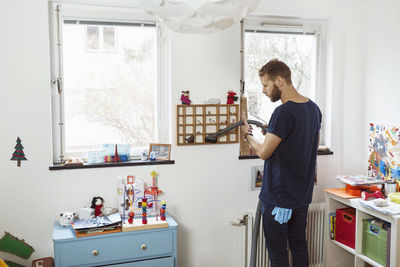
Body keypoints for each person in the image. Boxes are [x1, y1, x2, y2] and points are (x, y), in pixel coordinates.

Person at [240, 59, 321, 267]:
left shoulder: (283, 112)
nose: (264, 91)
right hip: (301, 197)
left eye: (266, 85)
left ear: (280, 81)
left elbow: (265, 152)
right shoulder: (313, 109)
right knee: (298, 244)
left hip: (279, 198)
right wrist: (274, 132)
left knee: (277, 251)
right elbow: (304, 143)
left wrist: (247, 135)